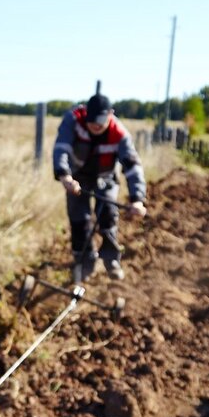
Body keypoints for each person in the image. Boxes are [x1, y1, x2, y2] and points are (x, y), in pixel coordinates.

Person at [52, 89, 147, 281]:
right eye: (92, 120)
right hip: (77, 176)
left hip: (106, 176)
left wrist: (137, 199)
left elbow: (132, 167)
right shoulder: (73, 121)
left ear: (110, 115)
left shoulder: (119, 133)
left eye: (100, 121)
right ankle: (84, 263)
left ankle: (111, 259)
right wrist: (64, 176)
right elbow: (61, 148)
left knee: (108, 215)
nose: (95, 125)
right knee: (79, 219)